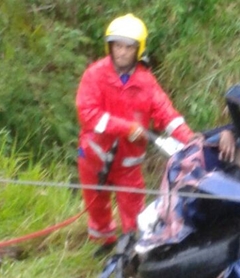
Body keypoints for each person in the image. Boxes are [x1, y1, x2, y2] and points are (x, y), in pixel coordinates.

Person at [75, 13, 197, 257]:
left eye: (128, 47)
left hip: (128, 163)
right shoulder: (95, 75)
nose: (121, 52)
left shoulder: (146, 83)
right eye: (117, 46)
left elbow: (167, 115)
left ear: (138, 50)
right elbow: (88, 113)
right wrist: (126, 127)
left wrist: (190, 139)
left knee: (133, 207)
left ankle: (131, 245)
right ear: (109, 46)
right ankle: (104, 240)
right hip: (94, 156)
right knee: (96, 203)